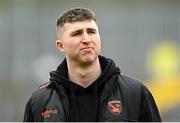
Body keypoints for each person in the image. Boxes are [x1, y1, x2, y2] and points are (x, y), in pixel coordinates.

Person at [23, 7, 161, 122]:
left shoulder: (135, 93)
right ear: (61, 46)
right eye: (77, 34)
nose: (86, 39)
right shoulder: (40, 101)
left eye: (91, 32)